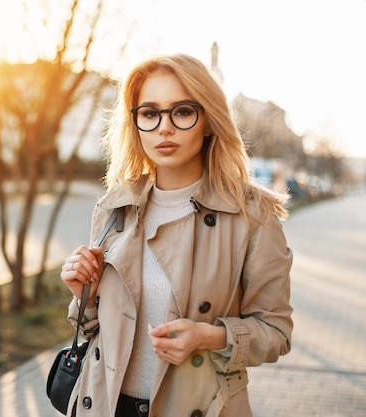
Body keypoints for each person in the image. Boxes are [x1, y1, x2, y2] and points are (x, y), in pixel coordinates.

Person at [60, 53, 293, 417]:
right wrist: (84, 295)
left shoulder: (251, 215)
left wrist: (208, 337)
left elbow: (276, 331)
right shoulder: (114, 206)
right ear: (135, 123)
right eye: (150, 113)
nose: (163, 128)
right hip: (105, 405)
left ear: (209, 121)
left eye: (182, 112)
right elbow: (96, 329)